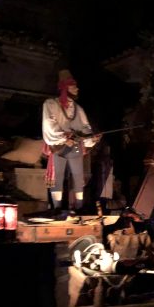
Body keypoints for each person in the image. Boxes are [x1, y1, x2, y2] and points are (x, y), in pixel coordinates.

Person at [42, 69, 100, 212]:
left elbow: (85, 128)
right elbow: (49, 124)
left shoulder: (78, 109)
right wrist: (63, 136)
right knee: (58, 177)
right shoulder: (50, 104)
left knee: (78, 177)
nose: (77, 88)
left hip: (75, 147)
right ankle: (57, 208)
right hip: (59, 147)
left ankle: (79, 207)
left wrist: (91, 137)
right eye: (73, 86)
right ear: (65, 87)